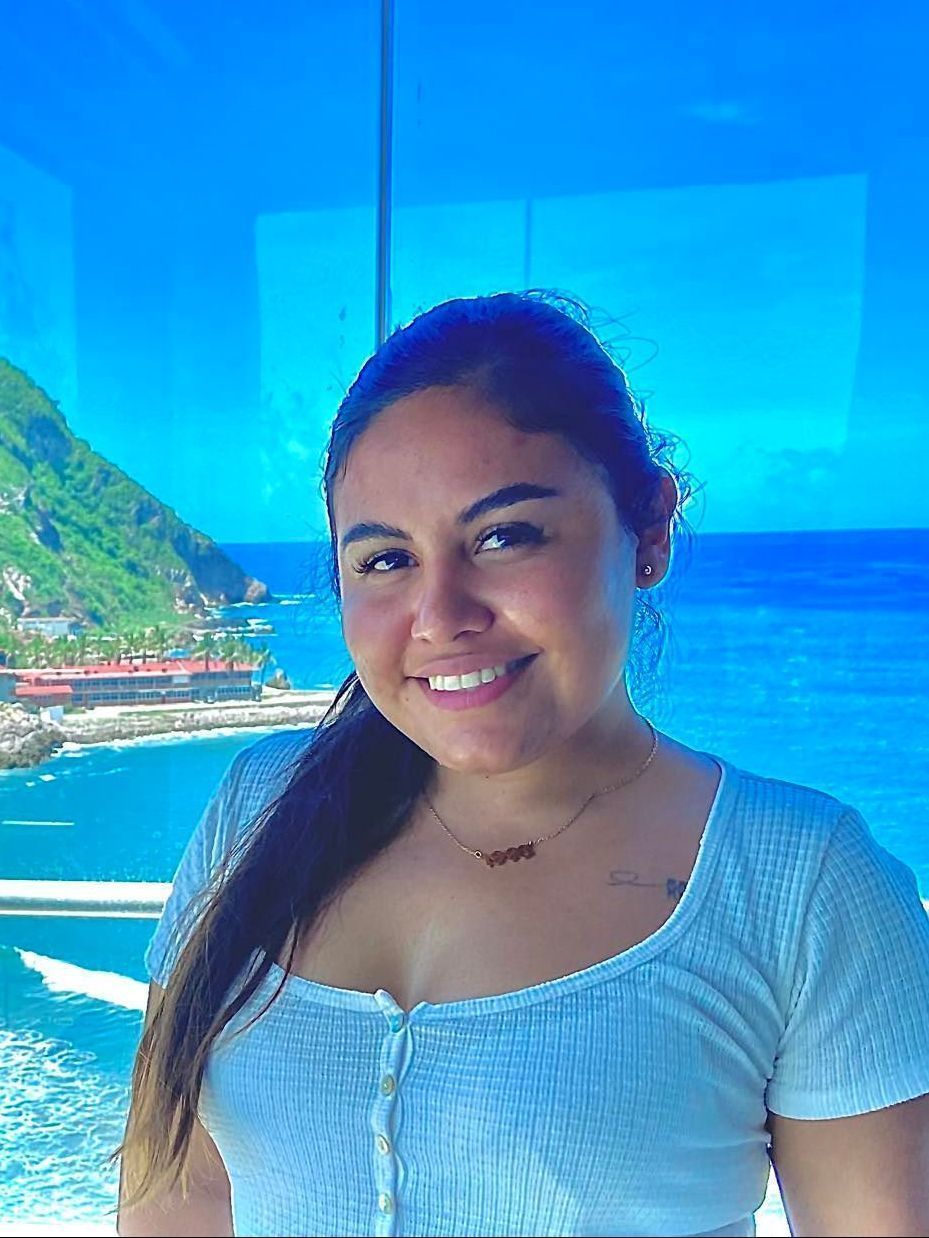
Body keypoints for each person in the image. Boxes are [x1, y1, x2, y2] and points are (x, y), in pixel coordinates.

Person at [113, 291, 929, 1238]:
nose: (440, 614)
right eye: (383, 559)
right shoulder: (259, 807)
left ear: (649, 527)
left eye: (505, 536)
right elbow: (177, 1190)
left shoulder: (800, 886)